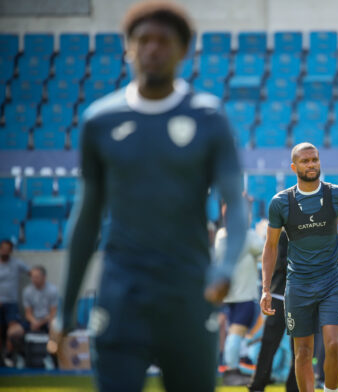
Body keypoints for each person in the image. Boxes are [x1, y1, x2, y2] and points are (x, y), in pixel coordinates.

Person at [49, 2, 247, 391]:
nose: (153, 49)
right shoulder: (100, 121)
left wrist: (223, 269)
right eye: (143, 40)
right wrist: (66, 310)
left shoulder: (210, 118)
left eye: (164, 41)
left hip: (189, 294)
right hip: (121, 296)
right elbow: (86, 218)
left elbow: (235, 205)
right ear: (128, 47)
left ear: (184, 50)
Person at [260, 142, 338, 392]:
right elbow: (271, 246)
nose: (312, 165)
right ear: (294, 166)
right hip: (297, 285)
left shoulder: (337, 194)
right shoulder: (280, 202)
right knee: (303, 352)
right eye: (306, 161)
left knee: (333, 345)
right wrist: (265, 288)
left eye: (315, 160)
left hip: (331, 282)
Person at [215, 201, 264, 386]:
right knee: (236, 333)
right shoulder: (248, 236)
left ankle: (231, 369)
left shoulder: (222, 234)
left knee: (231, 333)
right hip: (243, 294)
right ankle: (231, 371)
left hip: (226, 293)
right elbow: (266, 253)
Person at [248, 230, 298, 392]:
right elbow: (279, 262)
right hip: (279, 295)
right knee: (269, 342)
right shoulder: (284, 235)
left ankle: (294, 387)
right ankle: (258, 383)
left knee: (300, 347)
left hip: (301, 298)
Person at [0, 239, 30, 367]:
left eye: (8, 248)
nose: (5, 251)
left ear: (11, 251)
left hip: (11, 303)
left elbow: (31, 272)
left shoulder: (17, 264)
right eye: (3, 248)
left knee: (12, 329)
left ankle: (9, 356)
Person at [23, 266, 58, 334]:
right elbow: (28, 313)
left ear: (44, 277)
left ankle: (52, 344)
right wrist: (34, 322)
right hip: (33, 320)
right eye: (32, 277)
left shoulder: (53, 290)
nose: (33, 279)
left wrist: (40, 323)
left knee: (54, 326)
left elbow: (53, 313)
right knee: (15, 333)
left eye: (36, 277)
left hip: (47, 320)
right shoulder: (27, 291)